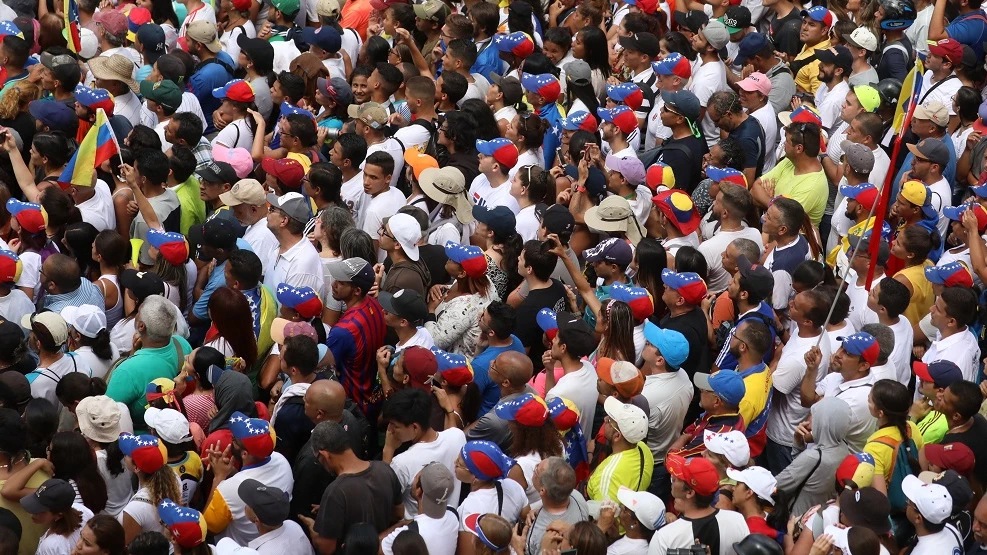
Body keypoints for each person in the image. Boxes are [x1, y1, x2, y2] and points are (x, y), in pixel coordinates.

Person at [304, 421, 403, 555]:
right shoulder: (385, 470)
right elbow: (398, 513)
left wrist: (313, 530)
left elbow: (326, 548)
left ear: (325, 455)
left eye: (318, 458)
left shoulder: (335, 492)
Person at [201, 412, 293, 545]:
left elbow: (206, 529)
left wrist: (219, 477)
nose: (231, 439)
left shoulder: (229, 489)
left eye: (234, 439)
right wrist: (231, 472)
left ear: (244, 453)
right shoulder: (283, 462)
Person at [106, 296, 192, 430]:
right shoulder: (182, 345)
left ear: (141, 326)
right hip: (175, 427)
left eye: (138, 312)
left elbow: (106, 414)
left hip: (141, 440)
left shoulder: (127, 371)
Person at [382, 388, 466, 518]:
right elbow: (452, 432)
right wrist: (449, 410)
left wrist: (388, 450)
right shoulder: (458, 437)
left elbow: (384, 498)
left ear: (415, 427)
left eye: (394, 425)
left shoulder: (402, 463)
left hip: (415, 530)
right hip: (449, 520)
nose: (390, 430)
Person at [651, 454, 750, 554]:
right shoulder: (737, 520)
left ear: (689, 493)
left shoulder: (664, 537)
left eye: (675, 479)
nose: (672, 480)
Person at [380, 462, 460, 555]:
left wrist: (400, 524)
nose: (414, 479)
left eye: (417, 477)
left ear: (419, 491)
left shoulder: (407, 535)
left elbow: (374, 547)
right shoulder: (453, 514)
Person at [117, 434, 181, 544]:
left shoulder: (134, 509)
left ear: (136, 467)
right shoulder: (174, 478)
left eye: (127, 454)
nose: (125, 456)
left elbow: (128, 548)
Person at [587, 398, 653, 501]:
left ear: (617, 436)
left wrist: (590, 454)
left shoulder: (608, 476)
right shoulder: (644, 449)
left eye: (609, 421)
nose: (605, 419)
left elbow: (603, 515)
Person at [16, 479, 93, 555]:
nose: (32, 514)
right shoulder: (83, 510)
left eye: (39, 511)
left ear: (59, 515)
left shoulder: (51, 546)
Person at [239, 480, 314, 555]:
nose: (245, 505)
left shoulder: (262, 552)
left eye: (248, 503)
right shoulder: (293, 526)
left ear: (257, 520)